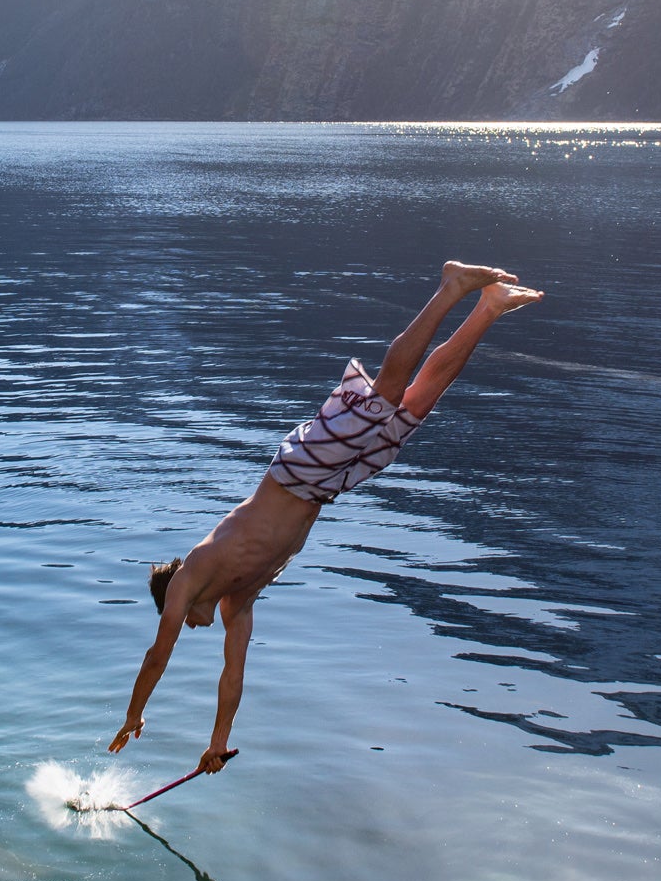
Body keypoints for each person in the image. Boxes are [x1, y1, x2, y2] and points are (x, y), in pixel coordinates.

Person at [108, 262, 544, 776]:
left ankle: (449, 288)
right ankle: (487, 308)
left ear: (173, 607)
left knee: (387, 391)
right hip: (329, 484)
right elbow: (233, 675)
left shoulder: (191, 576)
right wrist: (217, 743)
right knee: (415, 405)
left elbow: (158, 656)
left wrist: (134, 714)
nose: (195, 628)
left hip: (299, 469)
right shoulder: (238, 602)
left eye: (185, 624)